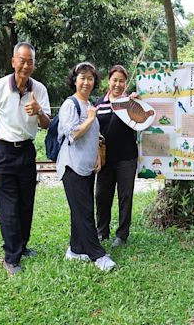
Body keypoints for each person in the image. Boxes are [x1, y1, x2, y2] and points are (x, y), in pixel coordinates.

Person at [0, 42, 51, 276]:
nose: (26, 65)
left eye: (30, 61)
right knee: (9, 207)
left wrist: (39, 110)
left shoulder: (39, 90)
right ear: (13, 62)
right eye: (22, 60)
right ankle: (11, 258)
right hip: (2, 151)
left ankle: (21, 247)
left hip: (27, 152)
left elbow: (48, 124)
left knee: (26, 203)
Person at [57, 62, 115, 271]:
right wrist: (90, 119)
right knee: (85, 211)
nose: (86, 82)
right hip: (71, 166)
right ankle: (97, 254)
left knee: (79, 210)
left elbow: (93, 136)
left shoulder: (89, 104)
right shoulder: (70, 105)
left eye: (90, 78)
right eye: (82, 77)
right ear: (74, 80)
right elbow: (72, 133)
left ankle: (75, 250)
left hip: (87, 166)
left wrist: (98, 156)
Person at [95, 65, 138, 248]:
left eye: (121, 81)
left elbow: (141, 122)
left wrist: (135, 103)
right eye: (115, 80)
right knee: (102, 196)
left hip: (126, 159)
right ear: (108, 81)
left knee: (125, 197)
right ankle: (101, 232)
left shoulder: (130, 103)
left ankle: (122, 235)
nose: (118, 84)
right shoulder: (99, 103)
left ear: (125, 83)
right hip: (104, 160)